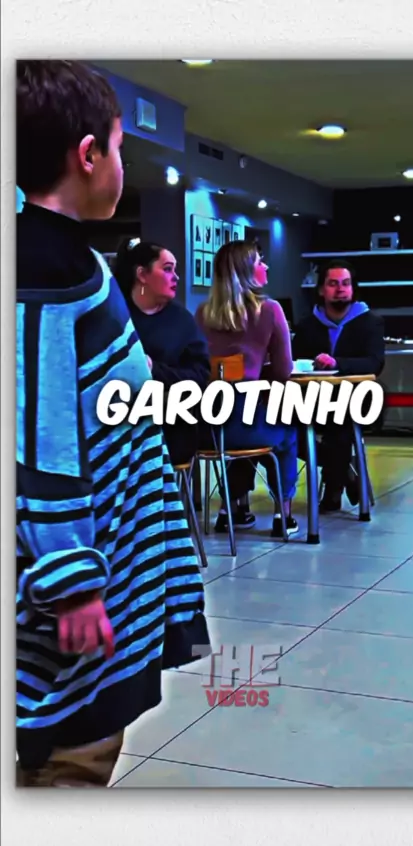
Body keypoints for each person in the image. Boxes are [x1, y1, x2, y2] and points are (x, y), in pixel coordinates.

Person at [16, 60, 210, 788]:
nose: (124, 166)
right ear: (88, 155)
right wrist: (71, 579)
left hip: (116, 558)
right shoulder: (43, 273)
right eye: (121, 148)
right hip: (76, 583)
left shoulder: (73, 260)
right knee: (72, 758)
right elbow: (37, 443)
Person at [196, 240, 299, 537]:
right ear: (246, 271)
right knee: (287, 431)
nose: (265, 266)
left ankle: (230, 510)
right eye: (259, 261)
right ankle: (283, 514)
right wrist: (257, 371)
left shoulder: (202, 313)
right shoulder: (270, 310)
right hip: (245, 419)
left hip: (206, 426)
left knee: (244, 440)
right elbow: (284, 371)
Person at [292, 261, 385, 512]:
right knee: (282, 427)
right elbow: (296, 362)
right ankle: (346, 470)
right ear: (321, 289)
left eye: (345, 284)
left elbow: (374, 363)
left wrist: (337, 363)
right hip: (314, 399)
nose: (340, 289)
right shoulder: (307, 325)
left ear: (353, 288)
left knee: (340, 423)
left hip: (357, 398)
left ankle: (333, 490)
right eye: (333, 284)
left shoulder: (370, 322)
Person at [114, 238, 211, 466]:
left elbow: (200, 374)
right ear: (142, 274)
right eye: (167, 269)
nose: (176, 277)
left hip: (171, 428)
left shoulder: (182, 321)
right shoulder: (115, 316)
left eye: (175, 270)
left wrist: (154, 369)